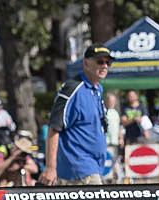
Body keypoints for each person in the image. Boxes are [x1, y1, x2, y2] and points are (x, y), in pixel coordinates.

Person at [41, 43, 111, 189]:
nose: (105, 65)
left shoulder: (98, 89)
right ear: (86, 63)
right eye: (100, 61)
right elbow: (54, 127)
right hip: (79, 169)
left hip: (94, 167)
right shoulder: (72, 89)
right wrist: (50, 167)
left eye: (107, 62)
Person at [104, 92, 123, 182]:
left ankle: (116, 180)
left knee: (115, 161)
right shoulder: (103, 112)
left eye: (113, 101)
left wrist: (121, 138)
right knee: (107, 161)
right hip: (106, 142)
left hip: (114, 142)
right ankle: (106, 179)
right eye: (110, 101)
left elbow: (118, 126)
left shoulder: (115, 113)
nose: (112, 103)